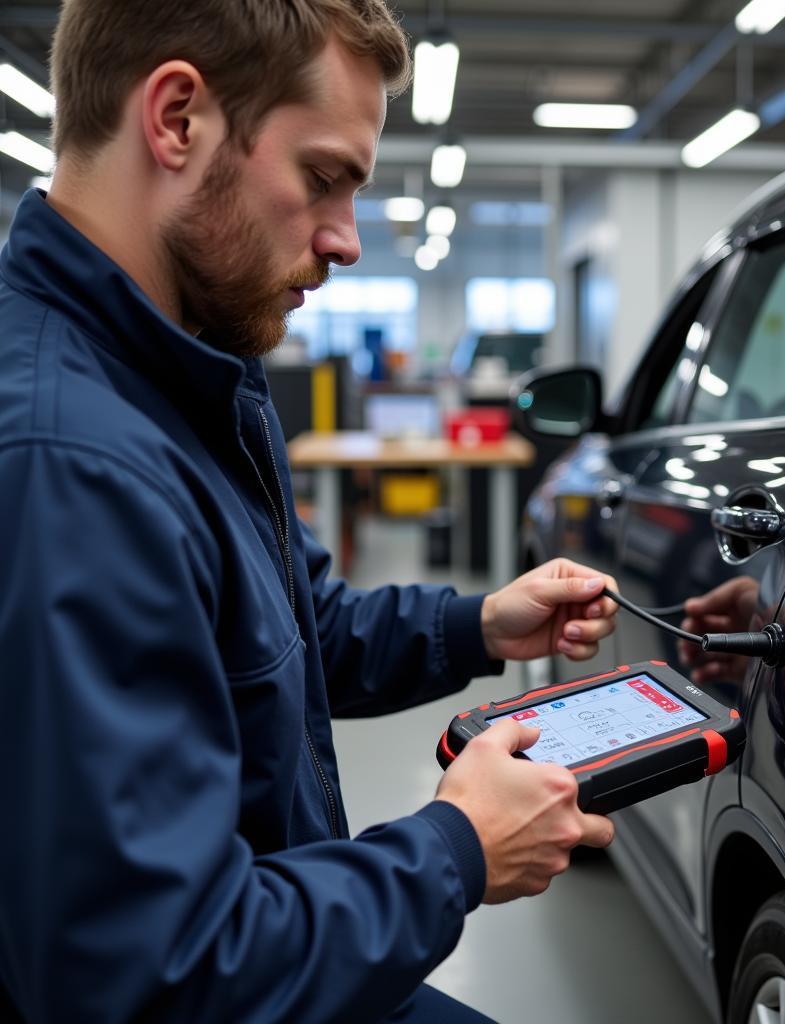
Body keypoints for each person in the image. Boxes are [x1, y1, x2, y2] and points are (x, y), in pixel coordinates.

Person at [0, 2, 619, 1020]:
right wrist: (454, 849)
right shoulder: (70, 467)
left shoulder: (192, 376)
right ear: (177, 120)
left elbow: (293, 630)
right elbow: (147, 977)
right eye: (324, 178)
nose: (345, 240)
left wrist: (477, 625)